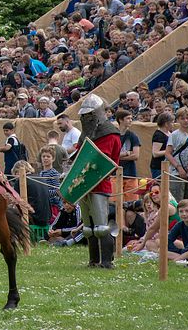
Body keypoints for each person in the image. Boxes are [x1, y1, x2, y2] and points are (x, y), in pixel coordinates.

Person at [77, 94, 122, 268]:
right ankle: (93, 260)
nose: (86, 119)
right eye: (84, 115)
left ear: (98, 113)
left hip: (99, 183)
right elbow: (80, 158)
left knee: (102, 226)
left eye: (89, 115)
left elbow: (103, 161)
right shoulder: (86, 134)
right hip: (83, 184)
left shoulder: (110, 133)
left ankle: (106, 261)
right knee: (88, 228)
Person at [165, 107, 188, 202]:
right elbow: (168, 153)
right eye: (182, 118)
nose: (185, 121)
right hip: (176, 172)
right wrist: (178, 167)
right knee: (177, 200)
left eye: (187, 118)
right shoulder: (174, 135)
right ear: (178, 120)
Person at [10, 161, 51, 228]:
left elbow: (16, 202)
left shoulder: (20, 181)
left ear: (17, 172)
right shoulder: (41, 179)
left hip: (33, 219)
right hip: (46, 218)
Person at [115, 109, 140, 201]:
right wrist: (126, 153)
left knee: (132, 202)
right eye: (128, 118)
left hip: (130, 173)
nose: (130, 120)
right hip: (115, 173)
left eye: (131, 118)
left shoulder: (133, 136)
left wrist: (118, 156)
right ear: (121, 120)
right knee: (115, 203)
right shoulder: (114, 135)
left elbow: (136, 156)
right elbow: (110, 156)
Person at [149, 113, 174, 180]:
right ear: (166, 124)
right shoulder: (159, 135)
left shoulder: (170, 133)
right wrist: (169, 151)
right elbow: (155, 153)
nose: (173, 124)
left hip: (168, 166)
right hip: (158, 167)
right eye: (171, 122)